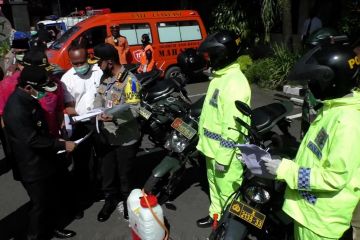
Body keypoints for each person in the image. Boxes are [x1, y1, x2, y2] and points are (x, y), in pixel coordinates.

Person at [255, 45, 360, 239]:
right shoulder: (332, 109)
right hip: (309, 213)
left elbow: (334, 178)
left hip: (321, 223)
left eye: (314, 80)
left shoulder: (348, 123)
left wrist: (285, 170)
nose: (309, 86)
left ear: (331, 81)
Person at [2, 64, 77, 240]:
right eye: (41, 89)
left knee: (49, 198)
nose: (44, 93)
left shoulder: (28, 99)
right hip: (31, 167)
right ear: (28, 87)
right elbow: (31, 139)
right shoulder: (16, 109)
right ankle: (34, 235)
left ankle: (53, 228)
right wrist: (62, 145)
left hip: (43, 160)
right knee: (39, 204)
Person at [195, 30, 251, 228]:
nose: (208, 59)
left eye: (211, 55)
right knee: (214, 187)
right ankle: (216, 216)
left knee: (229, 192)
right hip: (212, 148)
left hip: (224, 153)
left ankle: (233, 227)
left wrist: (223, 156)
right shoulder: (220, 77)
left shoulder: (235, 83)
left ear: (222, 54)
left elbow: (233, 127)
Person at [92, 43, 141, 222]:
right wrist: (96, 111)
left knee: (125, 176)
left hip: (124, 138)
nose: (96, 65)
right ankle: (110, 201)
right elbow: (99, 97)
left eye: (99, 61)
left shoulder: (131, 81)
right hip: (106, 137)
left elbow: (135, 110)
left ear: (110, 62)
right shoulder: (106, 78)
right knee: (107, 173)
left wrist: (112, 118)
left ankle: (129, 205)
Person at [61, 40, 103, 215]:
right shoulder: (67, 79)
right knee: (81, 163)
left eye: (82, 62)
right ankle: (81, 198)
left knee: (102, 157)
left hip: (101, 122)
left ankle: (101, 189)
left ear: (88, 58)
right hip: (80, 124)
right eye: (75, 63)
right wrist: (78, 115)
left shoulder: (98, 72)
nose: (79, 66)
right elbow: (69, 106)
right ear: (70, 61)